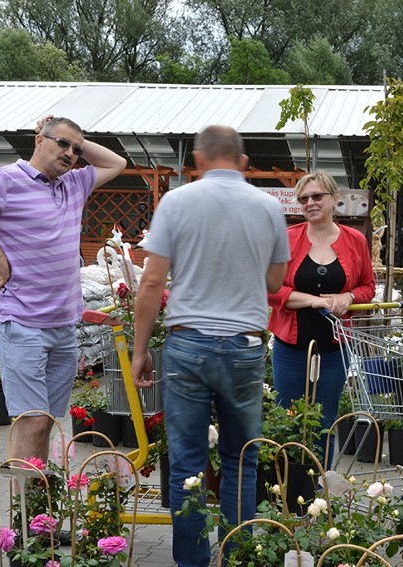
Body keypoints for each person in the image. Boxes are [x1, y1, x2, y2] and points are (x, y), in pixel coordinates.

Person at [130, 125, 289, 567]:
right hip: (244, 347)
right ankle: (236, 558)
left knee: (186, 464)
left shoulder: (176, 202)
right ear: (243, 163)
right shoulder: (268, 207)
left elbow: (153, 281)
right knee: (242, 459)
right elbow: (275, 282)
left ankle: (192, 563)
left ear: (197, 161)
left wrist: (141, 350)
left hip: (187, 346)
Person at [0, 116, 126, 461]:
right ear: (39, 139)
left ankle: (39, 504)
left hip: (63, 325)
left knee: (46, 422)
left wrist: (78, 141)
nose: (70, 153)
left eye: (76, 149)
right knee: (31, 421)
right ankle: (25, 511)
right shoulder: (8, 180)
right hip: (22, 322)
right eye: (62, 144)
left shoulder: (74, 183)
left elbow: (117, 163)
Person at [268, 171, 375, 466]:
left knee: (325, 422)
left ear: (334, 200)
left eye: (317, 196)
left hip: (334, 349)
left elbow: (368, 286)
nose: (310, 203)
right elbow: (271, 289)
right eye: (303, 199)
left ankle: (317, 494)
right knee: (287, 419)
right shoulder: (288, 239)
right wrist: (315, 301)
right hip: (290, 348)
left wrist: (349, 297)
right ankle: (285, 490)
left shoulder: (355, 241)